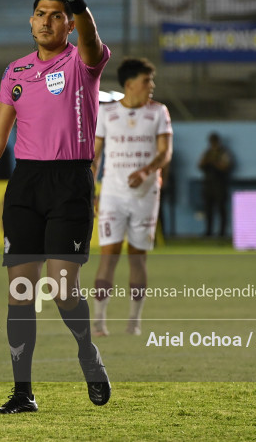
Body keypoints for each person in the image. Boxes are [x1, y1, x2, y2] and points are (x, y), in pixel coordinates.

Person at [0, 0, 112, 414]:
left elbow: (92, 36)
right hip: (26, 183)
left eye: (56, 16)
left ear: (68, 24)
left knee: (63, 287)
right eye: (41, 15)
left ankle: (87, 353)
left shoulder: (84, 63)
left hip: (70, 180)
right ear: (31, 23)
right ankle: (22, 392)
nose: (48, 22)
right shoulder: (16, 71)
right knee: (19, 290)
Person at [91, 57, 173, 338]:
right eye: (146, 81)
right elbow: (94, 156)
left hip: (145, 195)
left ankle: (133, 322)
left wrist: (147, 170)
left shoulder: (159, 112)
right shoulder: (107, 113)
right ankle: (99, 321)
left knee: (137, 258)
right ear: (129, 84)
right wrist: (91, 188)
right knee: (108, 256)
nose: (151, 86)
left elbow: (165, 152)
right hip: (113, 194)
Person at [198, 132, 232, 238]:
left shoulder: (223, 152)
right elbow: (200, 164)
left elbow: (225, 167)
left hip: (220, 184)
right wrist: (208, 161)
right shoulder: (207, 152)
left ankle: (222, 232)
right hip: (208, 184)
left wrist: (214, 162)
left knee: (221, 209)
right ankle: (208, 231)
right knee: (208, 209)